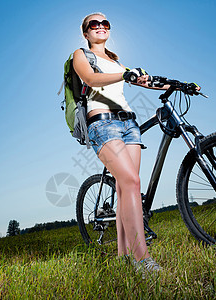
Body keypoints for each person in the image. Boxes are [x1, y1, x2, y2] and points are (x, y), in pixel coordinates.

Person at [73, 12, 198, 274]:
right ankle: (142, 259)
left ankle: (123, 257)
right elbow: (91, 79)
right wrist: (125, 76)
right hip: (103, 123)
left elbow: (146, 81)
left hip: (129, 125)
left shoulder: (118, 62)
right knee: (132, 182)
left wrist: (178, 84)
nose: (100, 27)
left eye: (104, 23)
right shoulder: (82, 55)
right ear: (86, 33)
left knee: (124, 189)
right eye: (93, 24)